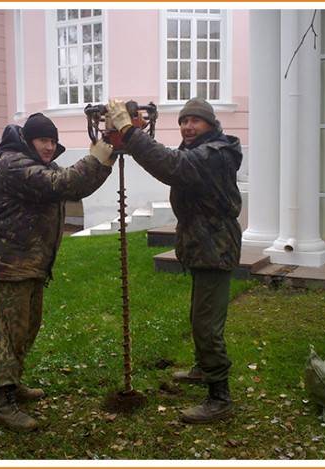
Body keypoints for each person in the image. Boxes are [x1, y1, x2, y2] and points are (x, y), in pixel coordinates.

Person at [106, 97, 243, 424]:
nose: (188, 126)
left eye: (196, 121)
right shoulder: (197, 151)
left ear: (211, 125)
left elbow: (171, 167)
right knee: (201, 314)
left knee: (206, 324)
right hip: (204, 244)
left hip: (215, 246)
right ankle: (201, 368)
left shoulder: (215, 154)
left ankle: (220, 397)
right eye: (184, 121)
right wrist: (134, 137)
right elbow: (166, 161)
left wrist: (129, 131)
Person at [0, 113, 116, 432]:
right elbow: (63, 184)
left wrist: (104, 159)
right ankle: (5, 402)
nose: (49, 146)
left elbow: (75, 187)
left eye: (53, 141)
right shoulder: (14, 165)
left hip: (32, 263)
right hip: (10, 264)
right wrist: (97, 156)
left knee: (28, 328)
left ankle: (14, 383)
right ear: (29, 141)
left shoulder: (41, 166)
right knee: (9, 332)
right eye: (44, 140)